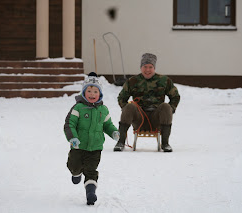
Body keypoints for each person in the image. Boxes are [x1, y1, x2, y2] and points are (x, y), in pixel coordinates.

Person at [64, 72, 120, 205]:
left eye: (95, 91)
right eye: (89, 90)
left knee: (91, 171)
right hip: (78, 146)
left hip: (95, 148)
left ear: (100, 94)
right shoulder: (78, 108)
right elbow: (69, 124)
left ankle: (90, 193)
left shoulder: (103, 110)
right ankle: (76, 173)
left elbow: (107, 125)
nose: (92, 94)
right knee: (74, 166)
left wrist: (113, 132)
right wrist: (73, 138)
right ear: (84, 92)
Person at [114, 53, 180, 152]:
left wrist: (170, 111)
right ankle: (121, 142)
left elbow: (175, 96)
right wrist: (127, 111)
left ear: (154, 68)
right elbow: (121, 98)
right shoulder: (132, 81)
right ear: (141, 67)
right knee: (129, 106)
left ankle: (165, 143)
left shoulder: (164, 80)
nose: (147, 70)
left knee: (166, 106)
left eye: (150, 67)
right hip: (139, 118)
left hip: (156, 118)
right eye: (145, 67)